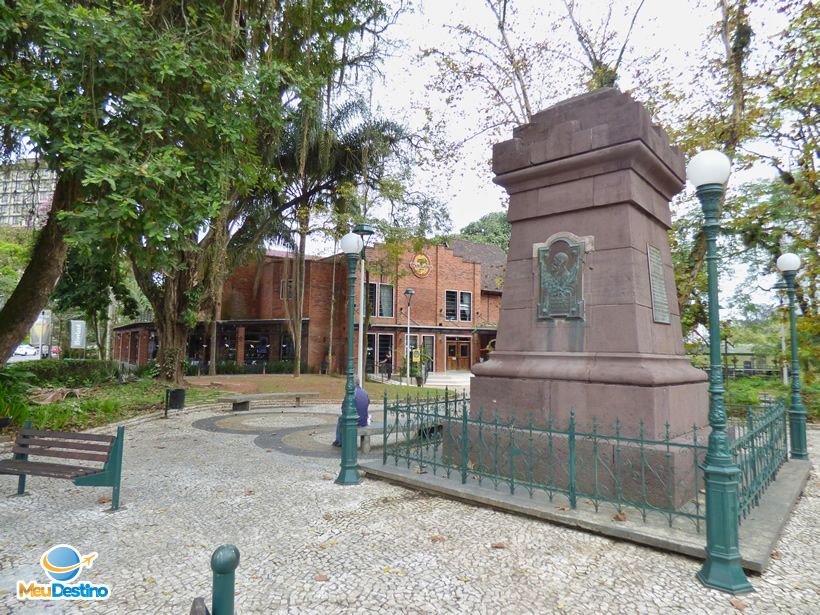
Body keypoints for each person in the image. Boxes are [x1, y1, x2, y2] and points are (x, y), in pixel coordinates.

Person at [332, 379, 370, 447]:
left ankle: (339, 441)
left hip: (354, 421)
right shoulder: (365, 392)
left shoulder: (351, 393)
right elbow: (367, 404)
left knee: (340, 419)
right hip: (364, 421)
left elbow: (343, 408)